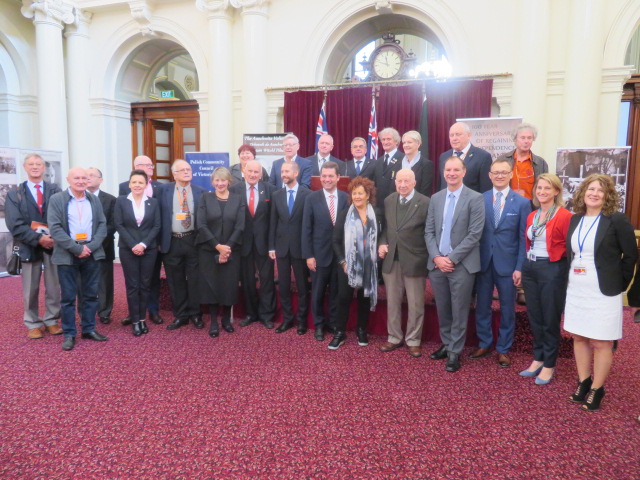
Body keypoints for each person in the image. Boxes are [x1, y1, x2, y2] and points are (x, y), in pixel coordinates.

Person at [564, 174, 637, 411]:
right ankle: (584, 381)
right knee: (579, 336)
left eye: (600, 190)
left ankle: (597, 388)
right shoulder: (576, 219)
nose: (594, 194)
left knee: (601, 341)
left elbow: (631, 255)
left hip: (603, 290)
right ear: (583, 192)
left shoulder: (616, 220)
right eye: (590, 189)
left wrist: (619, 284)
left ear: (607, 196)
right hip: (577, 288)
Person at [425, 156, 485, 372]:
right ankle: (447, 343)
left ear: (464, 172)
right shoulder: (436, 198)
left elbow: (474, 234)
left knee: (459, 310)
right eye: (448, 170)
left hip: (461, 265)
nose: (451, 173)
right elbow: (429, 231)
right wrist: (437, 257)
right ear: (443, 172)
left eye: (456, 170)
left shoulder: (475, 198)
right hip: (437, 264)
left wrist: (451, 259)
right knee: (443, 308)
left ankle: (455, 352)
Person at [471, 158, 531, 368]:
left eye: (503, 172)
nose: (499, 176)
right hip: (483, 262)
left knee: (507, 309)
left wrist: (519, 267)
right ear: (490, 175)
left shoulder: (522, 203)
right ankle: (484, 343)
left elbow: (524, 238)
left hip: (508, 265)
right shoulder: (480, 199)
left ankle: (504, 349)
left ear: (510, 175)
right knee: (482, 307)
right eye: (495, 172)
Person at [519, 173, 572, 384]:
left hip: (552, 269)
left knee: (550, 318)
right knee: (535, 316)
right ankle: (538, 358)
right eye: (539, 188)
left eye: (547, 188)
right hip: (531, 268)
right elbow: (528, 242)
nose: (542, 192)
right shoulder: (532, 215)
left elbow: (570, 248)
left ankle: (549, 364)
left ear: (556, 191)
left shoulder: (564, 216)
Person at [48, 167, 108, 351]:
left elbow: (102, 225)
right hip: (68, 254)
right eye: (77, 178)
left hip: (91, 252)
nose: (81, 181)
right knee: (68, 297)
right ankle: (69, 333)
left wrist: (90, 247)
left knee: (91, 295)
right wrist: (76, 248)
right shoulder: (57, 199)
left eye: (84, 178)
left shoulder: (93, 199)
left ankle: (89, 329)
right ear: (68, 180)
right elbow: (55, 228)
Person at [5, 153, 62, 339]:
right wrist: (38, 239)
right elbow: (14, 224)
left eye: (38, 164)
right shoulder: (15, 194)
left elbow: (62, 216)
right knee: (30, 288)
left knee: (54, 286)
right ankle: (33, 323)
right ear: (25, 167)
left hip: (53, 244)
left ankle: (52, 320)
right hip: (29, 245)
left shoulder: (56, 191)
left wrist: (52, 238)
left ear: (44, 168)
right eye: (31, 164)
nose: (35, 167)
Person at [378, 169, 429, 357]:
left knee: (416, 304)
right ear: (395, 182)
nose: (402, 185)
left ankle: (413, 340)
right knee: (392, 302)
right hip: (392, 259)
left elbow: (429, 231)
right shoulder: (389, 200)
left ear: (414, 182)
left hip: (415, 259)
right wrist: (382, 242)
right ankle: (394, 337)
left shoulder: (425, 202)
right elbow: (386, 228)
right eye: (399, 181)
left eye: (407, 181)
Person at [329, 177, 383, 350]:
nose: (357, 196)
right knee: (343, 298)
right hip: (347, 265)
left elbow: (383, 235)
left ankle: (361, 330)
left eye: (360, 193)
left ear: (368, 195)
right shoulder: (344, 214)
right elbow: (336, 240)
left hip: (369, 264)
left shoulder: (377, 213)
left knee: (364, 298)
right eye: (354, 193)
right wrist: (343, 262)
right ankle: (339, 332)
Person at [302, 161, 348, 340]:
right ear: (320, 178)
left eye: (330, 176)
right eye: (324, 176)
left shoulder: (346, 198)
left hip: (340, 256)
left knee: (337, 292)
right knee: (318, 293)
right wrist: (309, 255)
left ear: (338, 177)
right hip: (319, 255)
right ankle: (319, 325)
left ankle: (335, 324)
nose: (327, 179)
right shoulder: (311, 198)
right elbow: (306, 229)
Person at [196, 167, 245, 337]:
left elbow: (240, 226)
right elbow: (201, 225)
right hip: (209, 250)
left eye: (223, 180)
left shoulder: (238, 199)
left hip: (232, 250)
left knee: (228, 285)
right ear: (212, 182)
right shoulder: (205, 198)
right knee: (212, 285)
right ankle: (214, 321)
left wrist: (227, 248)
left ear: (229, 181)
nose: (220, 183)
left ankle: (226, 320)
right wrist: (218, 246)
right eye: (217, 180)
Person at [158, 160, 206, 331]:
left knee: (194, 280)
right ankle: (181, 315)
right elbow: (157, 216)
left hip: (193, 240)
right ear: (174, 174)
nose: (187, 172)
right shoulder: (163, 190)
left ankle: (195, 314)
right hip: (172, 241)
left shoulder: (200, 192)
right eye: (183, 170)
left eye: (189, 169)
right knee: (175, 280)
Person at [230, 160, 276, 329]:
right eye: (250, 171)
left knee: (267, 280)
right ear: (244, 171)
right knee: (247, 280)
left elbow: (273, 220)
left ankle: (266, 315)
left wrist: (272, 245)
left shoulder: (271, 190)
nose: (253, 175)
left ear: (261, 174)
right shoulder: (234, 190)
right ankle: (251, 313)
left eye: (256, 172)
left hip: (264, 243)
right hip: (243, 243)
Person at [114, 170, 161, 336]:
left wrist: (143, 244)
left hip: (149, 249)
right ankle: (135, 320)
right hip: (128, 249)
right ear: (129, 184)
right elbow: (119, 225)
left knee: (145, 285)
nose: (137, 185)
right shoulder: (121, 201)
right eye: (134, 182)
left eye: (141, 182)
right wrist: (134, 244)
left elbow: (156, 226)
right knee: (133, 285)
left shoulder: (153, 202)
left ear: (146, 184)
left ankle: (142, 319)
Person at [269, 161, 311, 334]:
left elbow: (309, 225)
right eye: (282, 171)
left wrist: (309, 250)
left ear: (296, 173)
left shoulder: (308, 195)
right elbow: (273, 222)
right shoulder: (276, 195)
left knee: (302, 287)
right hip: (281, 248)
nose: (283, 174)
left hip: (300, 248)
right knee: (284, 286)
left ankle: (302, 322)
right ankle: (287, 319)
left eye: (287, 171)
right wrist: (271, 247)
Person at [86, 168, 116, 324]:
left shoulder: (110, 199)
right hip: (81, 247)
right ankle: (86, 312)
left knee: (105, 282)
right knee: (84, 282)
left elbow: (113, 224)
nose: (88, 178)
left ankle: (104, 311)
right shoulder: (77, 198)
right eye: (86, 175)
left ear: (101, 180)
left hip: (104, 246)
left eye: (92, 175)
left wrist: (96, 241)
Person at [438, 122, 492, 193]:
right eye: (451, 135)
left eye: (458, 134)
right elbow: (441, 186)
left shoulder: (483, 157)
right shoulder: (444, 156)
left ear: (469, 135)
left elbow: (486, 190)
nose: (454, 138)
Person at [500, 123, 549, 201]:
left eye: (529, 138)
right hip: (507, 204)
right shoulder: (503, 160)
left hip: (531, 205)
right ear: (515, 139)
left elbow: (545, 188)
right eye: (522, 138)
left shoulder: (540, 163)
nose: (526, 141)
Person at [372, 127, 403, 201]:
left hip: (395, 202)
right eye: (383, 139)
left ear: (396, 141)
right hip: (379, 203)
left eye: (389, 139)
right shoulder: (378, 161)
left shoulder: (403, 159)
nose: (385, 142)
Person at [400, 130, 433, 197]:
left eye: (409, 142)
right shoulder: (398, 162)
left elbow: (424, 191)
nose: (406, 145)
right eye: (404, 143)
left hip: (417, 202)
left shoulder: (426, 164)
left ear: (418, 144)